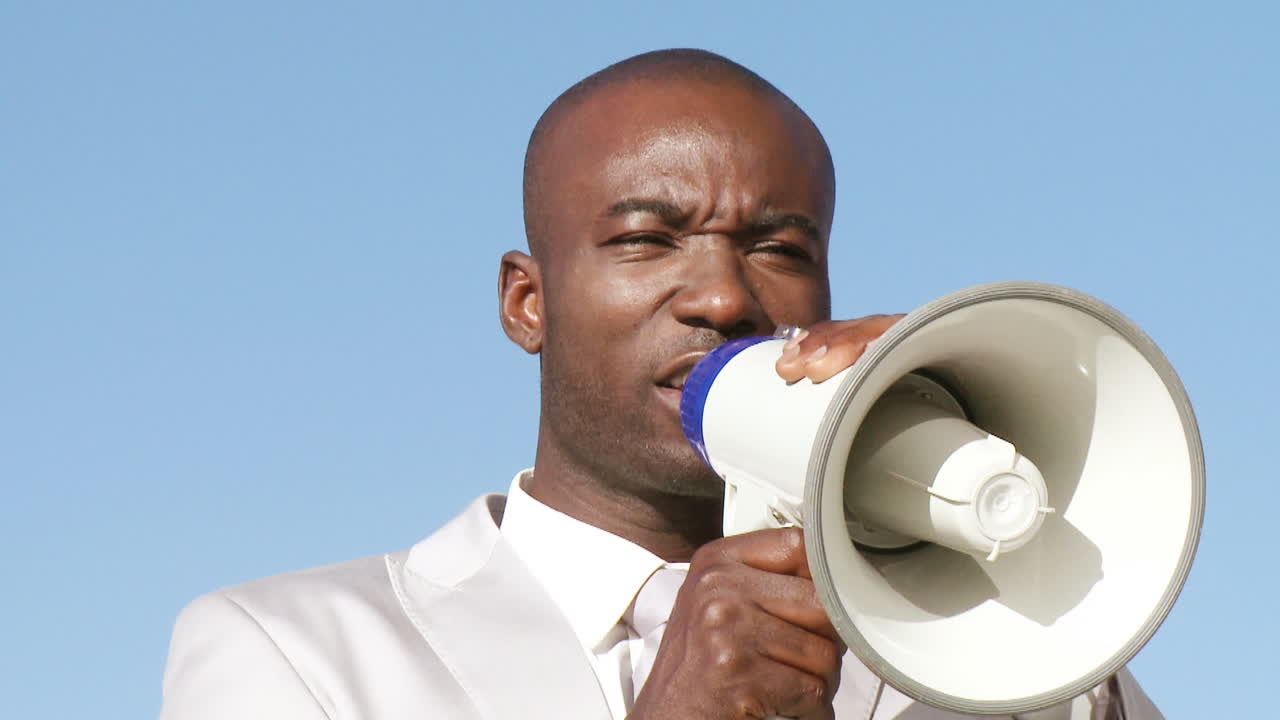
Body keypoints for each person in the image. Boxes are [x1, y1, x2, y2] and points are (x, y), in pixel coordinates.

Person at [159, 49, 1162, 720]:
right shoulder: (291, 654)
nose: (724, 299)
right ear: (526, 302)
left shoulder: (971, 653)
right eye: (645, 239)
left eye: (777, 247)